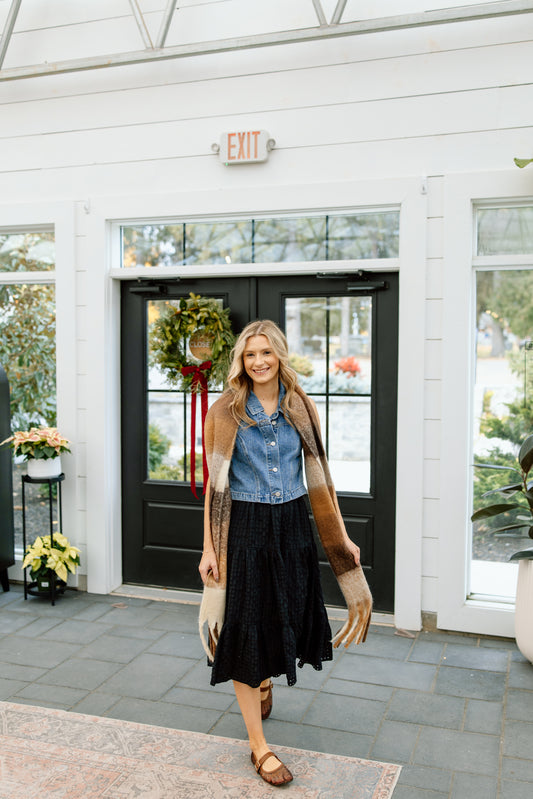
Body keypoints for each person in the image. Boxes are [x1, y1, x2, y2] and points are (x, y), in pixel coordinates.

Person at [198, 319, 372, 787]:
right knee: (244, 625)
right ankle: (259, 747)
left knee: (286, 612)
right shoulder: (225, 412)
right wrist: (208, 548)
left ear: (280, 356)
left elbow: (320, 476)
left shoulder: (302, 407)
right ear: (242, 360)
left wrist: (341, 536)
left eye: (266, 353)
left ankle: (266, 678)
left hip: (293, 523)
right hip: (246, 528)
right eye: (250, 354)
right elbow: (216, 490)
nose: (258, 362)